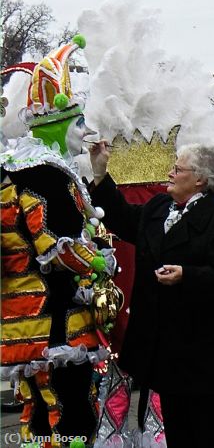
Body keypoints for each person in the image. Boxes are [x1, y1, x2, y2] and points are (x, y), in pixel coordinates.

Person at [89, 141, 214, 448]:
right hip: (167, 349)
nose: (170, 173)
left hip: (203, 352)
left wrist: (187, 275)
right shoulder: (159, 208)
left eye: (178, 169)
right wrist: (100, 172)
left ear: (200, 179)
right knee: (179, 429)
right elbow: (122, 218)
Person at [1, 36, 118, 444]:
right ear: (58, 124)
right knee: (71, 411)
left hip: (21, 318)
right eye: (79, 122)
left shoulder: (18, 169)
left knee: (38, 411)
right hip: (55, 319)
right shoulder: (51, 175)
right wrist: (102, 262)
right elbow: (59, 247)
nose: (84, 132)